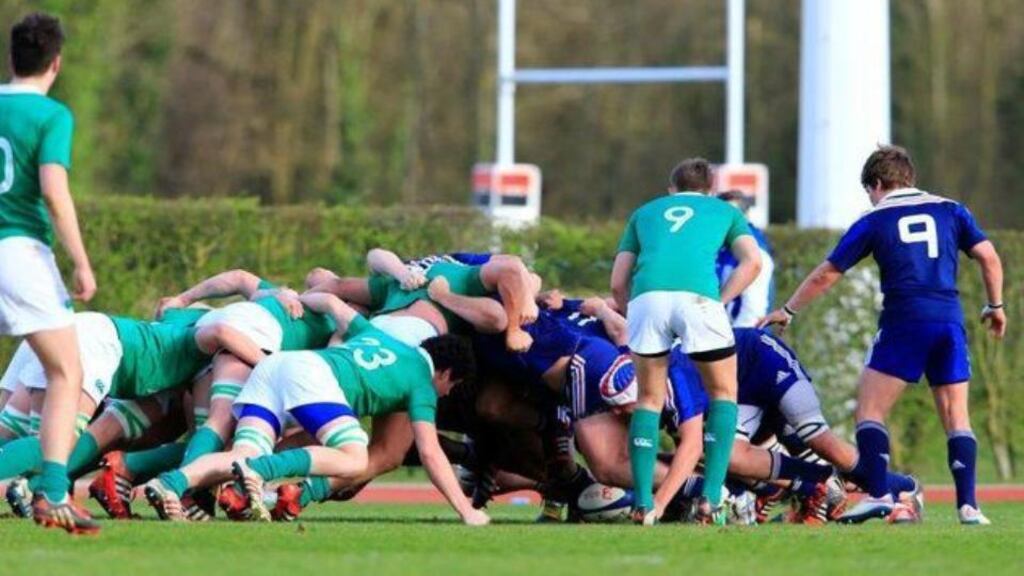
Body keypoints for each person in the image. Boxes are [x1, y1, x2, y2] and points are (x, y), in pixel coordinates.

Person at [760, 145, 1005, 525]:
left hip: (905, 320)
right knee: (957, 415)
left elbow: (827, 273)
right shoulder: (952, 209)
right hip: (949, 320)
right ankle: (969, 507)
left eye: (869, 191)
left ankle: (878, 495)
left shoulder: (875, 219)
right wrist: (995, 305)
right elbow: (989, 257)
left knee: (869, 410)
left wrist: (788, 310)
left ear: (876, 184)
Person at [143, 292, 490, 526]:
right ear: (446, 373)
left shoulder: (381, 336)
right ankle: (260, 470)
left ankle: (170, 483)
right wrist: (467, 511)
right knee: (355, 457)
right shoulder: (423, 382)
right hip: (312, 375)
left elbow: (331, 302)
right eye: (451, 387)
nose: (446, 394)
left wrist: (294, 298)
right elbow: (430, 451)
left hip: (276, 366)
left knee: (241, 452)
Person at [611, 157, 762, 525]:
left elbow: (617, 283)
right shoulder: (724, 211)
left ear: (671, 189)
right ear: (711, 189)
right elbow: (753, 262)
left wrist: (634, 312)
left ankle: (643, 504)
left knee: (649, 399)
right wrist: (720, 301)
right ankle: (711, 499)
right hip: (699, 300)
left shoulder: (644, 212)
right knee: (723, 394)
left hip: (647, 300)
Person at [0, 13, 98, 534]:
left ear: (11, 58)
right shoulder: (51, 115)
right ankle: (54, 493)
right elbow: (54, 192)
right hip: (19, 255)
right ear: (55, 64)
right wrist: (81, 260)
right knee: (65, 372)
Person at [715, 190, 776, 327]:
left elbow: (753, 311)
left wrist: (735, 337)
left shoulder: (755, 251)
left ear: (745, 216)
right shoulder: (722, 247)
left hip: (740, 333)